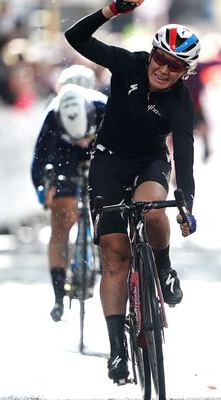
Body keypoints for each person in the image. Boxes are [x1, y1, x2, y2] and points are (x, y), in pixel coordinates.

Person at [64, 0, 197, 383]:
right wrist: (110, 11)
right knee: (114, 254)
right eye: (160, 58)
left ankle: (165, 266)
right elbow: (75, 37)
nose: (164, 68)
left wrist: (186, 202)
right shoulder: (129, 64)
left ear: (185, 72)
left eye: (175, 65)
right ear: (151, 53)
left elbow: (184, 153)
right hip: (108, 160)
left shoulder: (181, 100)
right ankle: (117, 350)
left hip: (149, 161)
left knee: (154, 211)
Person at [31, 65, 107, 322]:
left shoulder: (102, 106)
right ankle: (58, 295)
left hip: (101, 152)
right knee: (61, 220)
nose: (82, 141)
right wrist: (43, 188)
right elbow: (40, 158)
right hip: (65, 159)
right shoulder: (53, 113)